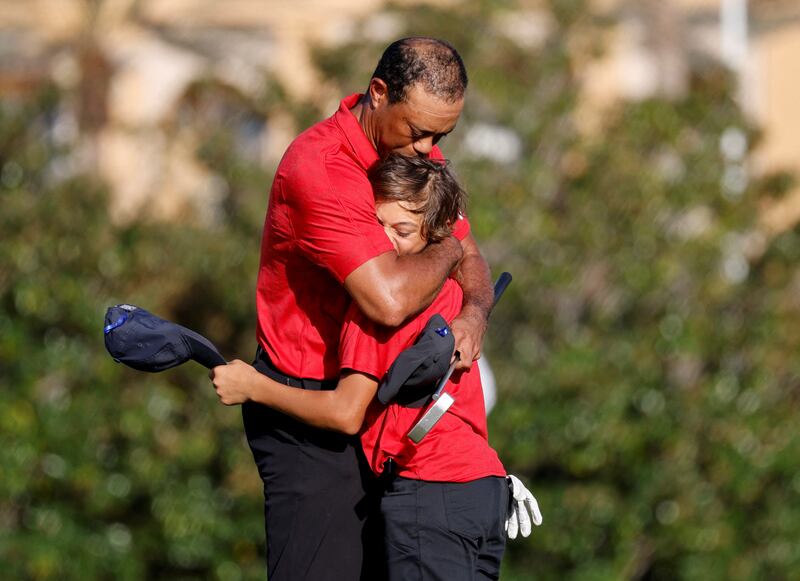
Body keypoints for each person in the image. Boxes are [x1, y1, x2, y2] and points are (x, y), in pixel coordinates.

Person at [233, 37, 496, 581]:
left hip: (380, 410)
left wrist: (474, 313)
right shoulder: (319, 166)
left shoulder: (410, 153)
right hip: (309, 408)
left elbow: (475, 257)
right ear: (378, 93)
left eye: (441, 136)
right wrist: (450, 246)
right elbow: (391, 299)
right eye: (419, 131)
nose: (429, 149)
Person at [212, 154, 542, 580]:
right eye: (378, 225)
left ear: (435, 232)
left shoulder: (379, 309)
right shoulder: (455, 295)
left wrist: (254, 386)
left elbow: (346, 413)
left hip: (431, 490)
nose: (385, 241)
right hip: (485, 490)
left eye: (401, 230)